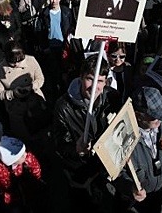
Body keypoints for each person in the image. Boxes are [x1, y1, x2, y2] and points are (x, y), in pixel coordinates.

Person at [52, 55, 121, 211]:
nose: (94, 86)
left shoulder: (112, 97)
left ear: (106, 82)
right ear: (80, 77)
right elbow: (60, 145)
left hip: (104, 167)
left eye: (100, 81)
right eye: (90, 79)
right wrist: (76, 149)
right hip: (79, 171)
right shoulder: (63, 107)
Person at [114, 87, 162, 213]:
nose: (160, 118)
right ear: (137, 115)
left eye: (161, 112)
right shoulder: (122, 139)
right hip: (135, 198)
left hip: (158, 191)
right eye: (154, 116)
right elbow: (116, 172)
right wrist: (130, 188)